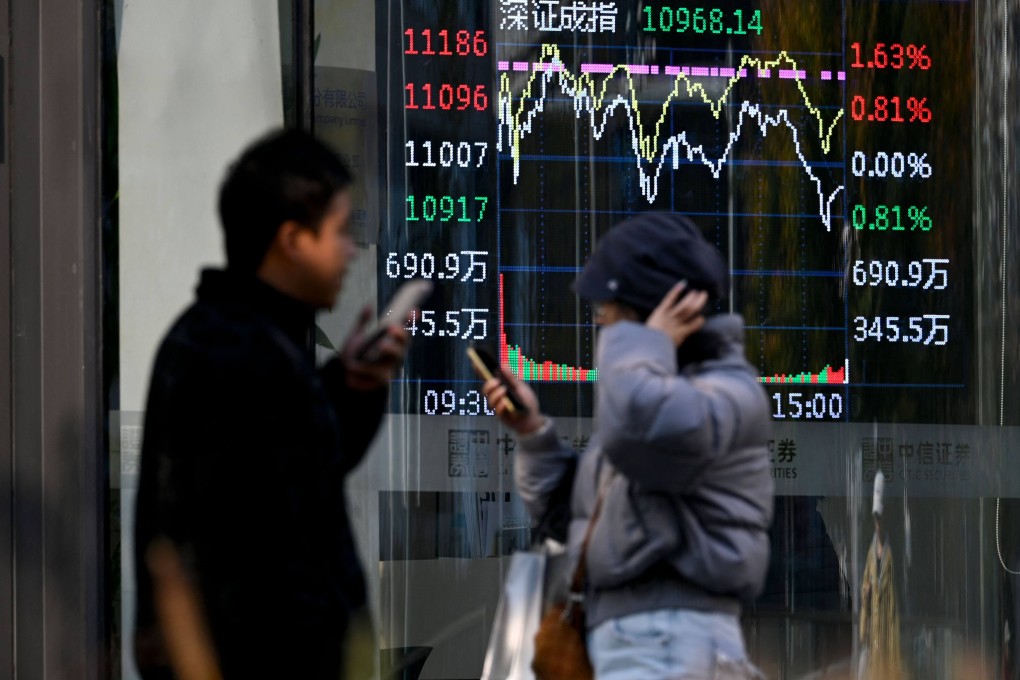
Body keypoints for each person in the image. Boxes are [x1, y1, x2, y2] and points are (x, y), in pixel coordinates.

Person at [133, 128, 409, 679]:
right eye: (337, 232)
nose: (350, 251)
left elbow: (298, 476)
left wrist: (352, 387)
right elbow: (177, 556)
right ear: (291, 240)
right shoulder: (227, 352)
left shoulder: (258, 341)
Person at [482, 212, 774, 680]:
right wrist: (533, 432)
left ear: (649, 305)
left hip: (669, 640)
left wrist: (642, 343)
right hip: (635, 639)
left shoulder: (723, 393)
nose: (601, 322)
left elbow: (639, 429)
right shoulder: (649, 395)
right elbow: (577, 522)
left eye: (608, 307)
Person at [859, 471, 905, 679]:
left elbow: (896, 590)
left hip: (888, 626)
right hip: (874, 629)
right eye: (876, 518)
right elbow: (864, 590)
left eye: (881, 518)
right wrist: (865, 595)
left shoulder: (892, 553)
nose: (878, 523)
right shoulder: (870, 553)